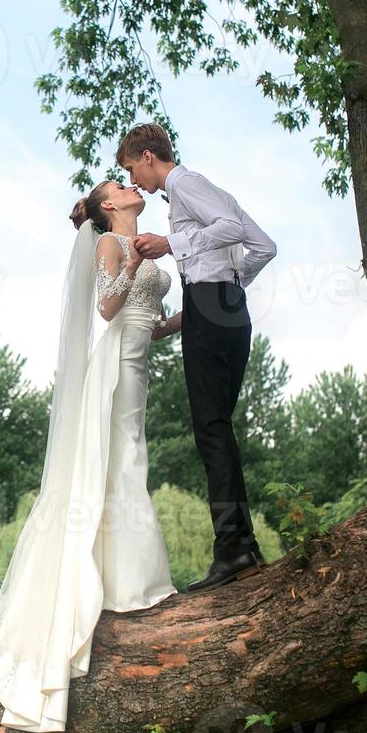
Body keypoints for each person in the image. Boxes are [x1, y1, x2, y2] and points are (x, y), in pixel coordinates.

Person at [0, 179, 178, 733]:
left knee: (127, 457)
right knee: (125, 459)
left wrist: (185, 322)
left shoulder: (146, 242)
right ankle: (134, 587)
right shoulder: (112, 244)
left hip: (139, 358)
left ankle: (122, 577)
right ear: (110, 207)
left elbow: (148, 325)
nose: (133, 186)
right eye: (121, 185)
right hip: (115, 362)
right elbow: (108, 308)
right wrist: (132, 261)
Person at [120, 122, 278, 593]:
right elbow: (264, 247)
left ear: (149, 156)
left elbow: (230, 231)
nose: (134, 182)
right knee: (219, 428)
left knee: (210, 430)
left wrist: (172, 245)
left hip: (214, 308)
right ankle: (240, 545)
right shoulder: (202, 189)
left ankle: (234, 550)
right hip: (230, 311)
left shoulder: (183, 183)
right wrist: (219, 296)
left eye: (132, 169)